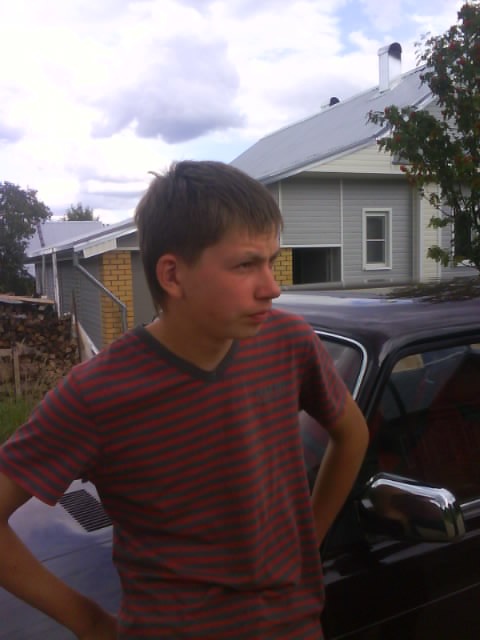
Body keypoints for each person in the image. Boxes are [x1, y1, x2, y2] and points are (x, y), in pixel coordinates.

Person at [0, 160, 369, 639]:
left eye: (271, 261)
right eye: (246, 265)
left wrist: (309, 541)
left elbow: (352, 434)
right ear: (173, 276)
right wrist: (88, 621)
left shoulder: (289, 343)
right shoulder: (98, 393)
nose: (272, 287)